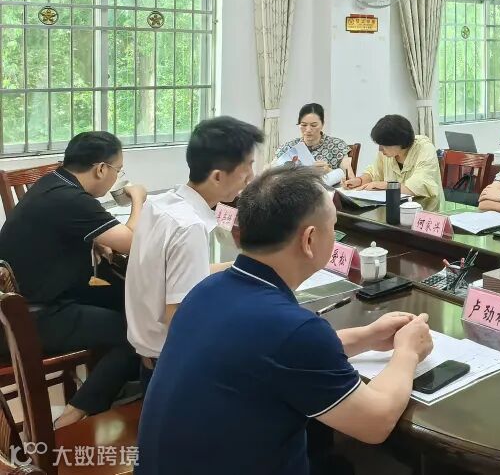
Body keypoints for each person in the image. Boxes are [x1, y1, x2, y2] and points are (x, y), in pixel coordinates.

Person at [135, 166, 434, 475]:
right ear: (309, 240)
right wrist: (407, 351)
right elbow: (375, 422)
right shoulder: (292, 329)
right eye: (333, 227)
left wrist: (367, 337)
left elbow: (269, 354)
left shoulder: (206, 290)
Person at [0, 131, 144, 428]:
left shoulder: (52, 183)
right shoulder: (72, 200)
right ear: (101, 169)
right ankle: (74, 415)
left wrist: (95, 240)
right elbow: (132, 241)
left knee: (129, 299)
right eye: (118, 170)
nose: (117, 177)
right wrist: (139, 199)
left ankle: (121, 380)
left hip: (34, 296)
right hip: (32, 318)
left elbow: (58, 232)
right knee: (134, 333)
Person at [126, 116, 264, 387]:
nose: (252, 176)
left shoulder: (161, 204)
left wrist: (239, 266)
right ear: (217, 176)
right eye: (247, 166)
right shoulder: (189, 227)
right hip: (172, 367)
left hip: (148, 354)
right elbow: (181, 319)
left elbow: (173, 277)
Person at [343, 114, 444, 210]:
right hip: (393, 209)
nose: (380, 149)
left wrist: (386, 185)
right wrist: (359, 180)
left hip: (425, 211)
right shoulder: (386, 153)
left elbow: (419, 186)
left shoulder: (424, 148)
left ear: (400, 142)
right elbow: (374, 173)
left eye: (384, 145)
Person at [275, 103, 354, 181]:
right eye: (304, 125)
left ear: (322, 124)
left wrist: (329, 171)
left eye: (313, 125)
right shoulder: (289, 147)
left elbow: (350, 178)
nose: (308, 130)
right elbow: (270, 171)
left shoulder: (337, 145)